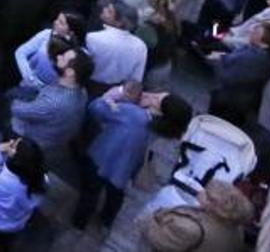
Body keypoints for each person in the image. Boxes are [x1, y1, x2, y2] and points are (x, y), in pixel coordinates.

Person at [74, 84, 192, 230]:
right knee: (115, 194)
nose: (149, 95)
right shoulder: (164, 131)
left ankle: (79, 221)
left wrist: (116, 93)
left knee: (89, 192)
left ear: (161, 111)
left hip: (101, 158)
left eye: (156, 99)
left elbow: (96, 108)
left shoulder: (132, 113)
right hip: (126, 168)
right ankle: (106, 220)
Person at [0, 137, 45, 240]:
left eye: (13, 145)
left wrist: (0, 150)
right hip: (14, 223)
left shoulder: (3, 177)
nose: (11, 142)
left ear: (18, 159)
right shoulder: (42, 180)